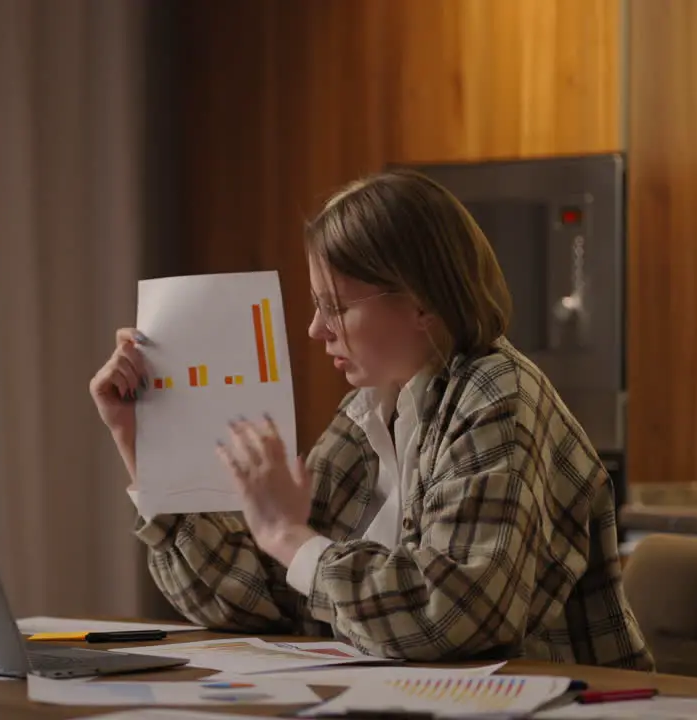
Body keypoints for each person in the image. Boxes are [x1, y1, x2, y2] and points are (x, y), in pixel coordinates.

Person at [89, 170, 653, 668]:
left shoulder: (497, 395)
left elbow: (453, 613)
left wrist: (289, 536)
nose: (315, 330)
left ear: (422, 303)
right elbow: (255, 595)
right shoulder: (370, 412)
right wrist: (143, 442)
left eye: (334, 306)